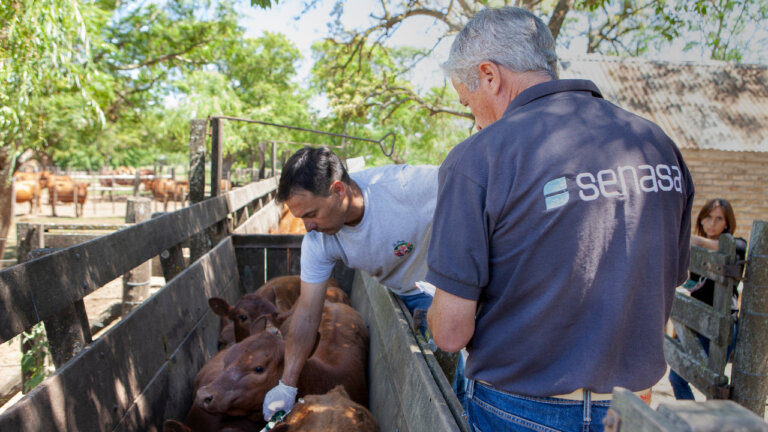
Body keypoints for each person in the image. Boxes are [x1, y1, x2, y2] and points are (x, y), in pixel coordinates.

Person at [424, 7, 694, 431]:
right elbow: (668, 276)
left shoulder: (477, 159)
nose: (474, 120)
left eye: (467, 102)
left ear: (490, 76)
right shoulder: (656, 144)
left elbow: (451, 333)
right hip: (632, 410)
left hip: (518, 410)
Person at [261, 146, 438, 421]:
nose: (307, 227)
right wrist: (287, 383)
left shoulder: (408, 187)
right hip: (407, 292)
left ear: (338, 190)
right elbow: (307, 313)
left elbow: (473, 188)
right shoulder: (318, 241)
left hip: (450, 283)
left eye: (311, 214)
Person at [668, 198, 747, 400]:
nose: (712, 223)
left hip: (721, 327)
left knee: (710, 384)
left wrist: (697, 241)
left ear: (727, 223)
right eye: (708, 217)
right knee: (677, 377)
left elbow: (737, 248)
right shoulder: (694, 251)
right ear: (701, 220)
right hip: (696, 323)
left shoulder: (735, 244)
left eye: (719, 218)